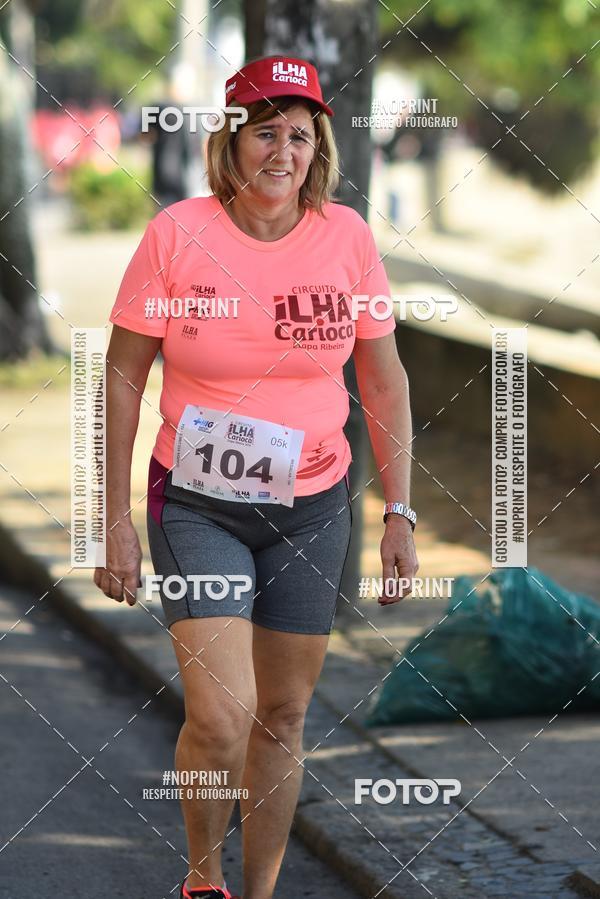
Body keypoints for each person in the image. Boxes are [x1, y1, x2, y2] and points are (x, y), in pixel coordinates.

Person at [96, 54, 418, 899]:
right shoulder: (178, 236)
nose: (283, 152)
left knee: (281, 717)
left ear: (321, 150)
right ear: (231, 144)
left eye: (300, 138)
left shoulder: (347, 237)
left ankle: (260, 892)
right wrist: (114, 517)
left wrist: (401, 512)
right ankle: (204, 879)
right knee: (223, 712)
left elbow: (383, 382)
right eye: (265, 133)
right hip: (198, 504)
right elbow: (125, 375)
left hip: (313, 509)